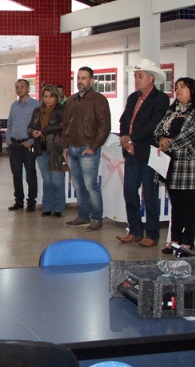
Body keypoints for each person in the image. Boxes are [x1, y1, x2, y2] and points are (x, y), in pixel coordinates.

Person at [116, 59, 169, 248]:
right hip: (131, 152)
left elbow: (154, 125)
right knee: (130, 190)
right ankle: (135, 230)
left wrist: (131, 139)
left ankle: (152, 234)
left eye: (140, 76)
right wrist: (124, 137)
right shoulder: (132, 98)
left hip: (148, 151)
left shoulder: (161, 99)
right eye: (135, 76)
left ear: (151, 78)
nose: (136, 80)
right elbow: (124, 120)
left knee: (150, 193)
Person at [155, 78, 195, 254]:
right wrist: (162, 139)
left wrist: (169, 144)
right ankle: (175, 239)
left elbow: (191, 134)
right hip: (170, 164)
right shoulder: (172, 111)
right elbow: (158, 129)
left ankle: (188, 241)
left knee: (188, 205)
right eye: (176, 87)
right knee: (176, 205)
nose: (178, 90)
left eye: (182, 87)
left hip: (188, 165)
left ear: (192, 90)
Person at [62, 67, 111, 230]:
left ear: (91, 80)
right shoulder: (71, 100)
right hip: (72, 149)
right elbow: (66, 126)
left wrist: (93, 147)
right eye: (78, 77)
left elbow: (105, 127)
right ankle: (83, 216)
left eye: (84, 78)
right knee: (78, 185)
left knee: (91, 185)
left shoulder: (99, 100)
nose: (80, 81)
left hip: (87, 149)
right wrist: (65, 146)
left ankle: (97, 218)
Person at [27, 85, 66, 217]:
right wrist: (33, 132)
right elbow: (30, 127)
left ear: (56, 97)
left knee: (57, 180)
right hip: (40, 148)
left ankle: (59, 208)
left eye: (51, 97)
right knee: (47, 179)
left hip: (56, 149)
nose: (48, 100)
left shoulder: (62, 109)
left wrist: (44, 130)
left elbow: (62, 127)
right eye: (45, 97)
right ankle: (47, 207)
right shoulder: (37, 110)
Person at [7, 79, 41, 212]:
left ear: (28, 89)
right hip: (14, 145)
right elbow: (9, 124)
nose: (19, 89)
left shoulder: (35, 105)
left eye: (22, 87)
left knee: (30, 174)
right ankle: (18, 201)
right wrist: (9, 140)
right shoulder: (14, 106)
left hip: (28, 145)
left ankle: (31, 202)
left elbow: (39, 126)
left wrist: (31, 141)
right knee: (16, 174)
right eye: (17, 87)